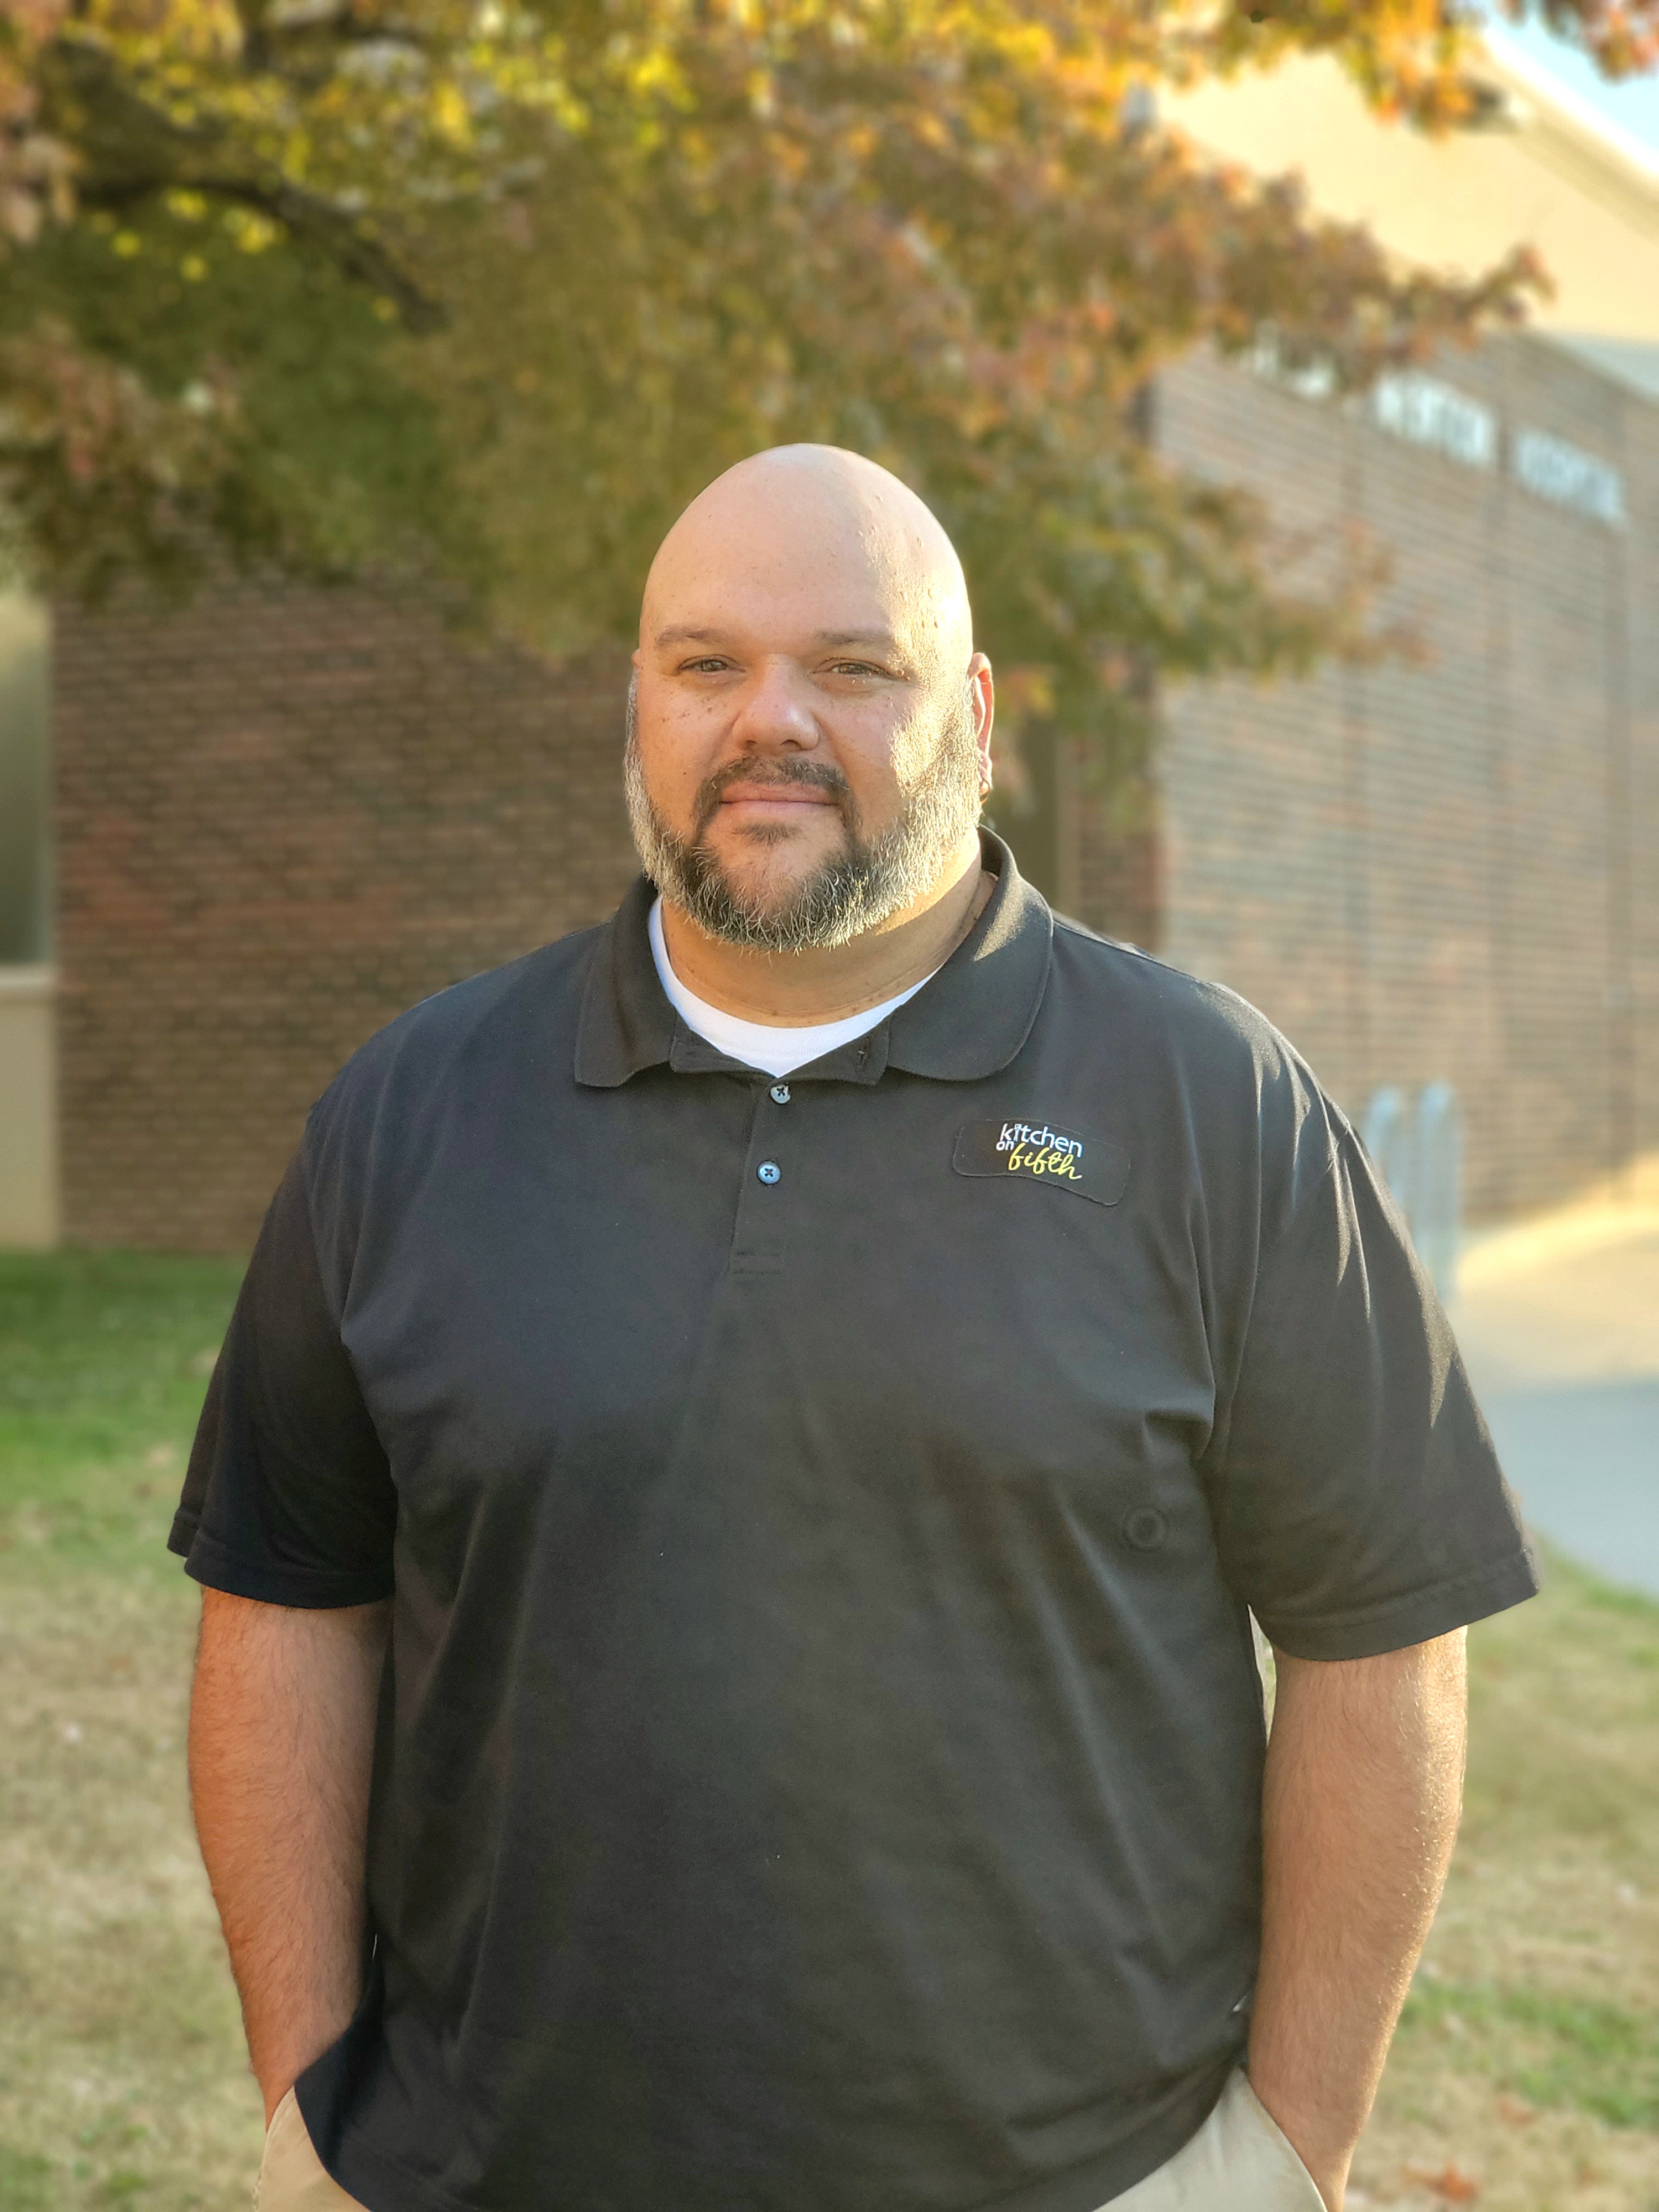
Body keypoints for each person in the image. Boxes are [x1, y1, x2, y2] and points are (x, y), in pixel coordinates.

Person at [174, 445, 1537, 2212]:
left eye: (853, 666)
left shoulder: (1210, 1105)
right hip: (486, 2168)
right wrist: (308, 2121)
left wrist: (1282, 2153)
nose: (772, 720)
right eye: (707, 664)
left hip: (1082, 2173)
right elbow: (287, 1603)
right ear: (639, 702)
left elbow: (1380, 1633)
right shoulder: (413, 1111)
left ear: (969, 708)